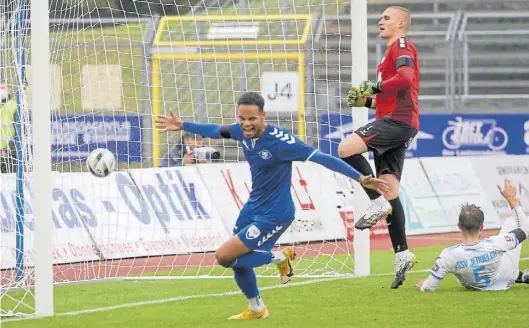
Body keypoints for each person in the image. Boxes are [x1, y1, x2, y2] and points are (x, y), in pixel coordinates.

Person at [155, 92, 389, 320]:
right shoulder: (240, 131)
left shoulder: (281, 141)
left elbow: (322, 158)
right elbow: (216, 130)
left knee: (224, 256)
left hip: (275, 214)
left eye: (252, 119)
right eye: (242, 118)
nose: (246, 124)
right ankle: (256, 309)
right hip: (252, 207)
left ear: (263, 115)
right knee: (239, 264)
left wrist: (359, 178)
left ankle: (279, 256)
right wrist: (183, 124)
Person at [337, 5, 420, 288]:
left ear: (401, 24)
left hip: (398, 122)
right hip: (396, 120)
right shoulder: (389, 52)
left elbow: (406, 79)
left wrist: (373, 87)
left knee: (345, 148)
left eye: (386, 18)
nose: (380, 21)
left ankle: (376, 203)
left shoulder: (401, 44)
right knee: (390, 187)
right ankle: (403, 252)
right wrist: (366, 102)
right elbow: (392, 95)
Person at [416, 178, 529, 292]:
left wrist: (424, 285)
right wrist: (511, 199)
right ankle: (518, 275)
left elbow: (429, 287)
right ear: (482, 227)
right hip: (506, 280)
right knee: (512, 222)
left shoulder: (448, 255)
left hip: (475, 286)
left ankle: (521, 275)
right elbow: (525, 228)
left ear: (459, 226)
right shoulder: (498, 243)